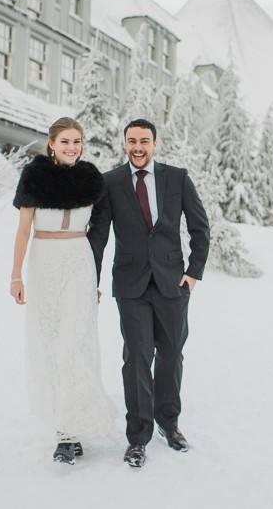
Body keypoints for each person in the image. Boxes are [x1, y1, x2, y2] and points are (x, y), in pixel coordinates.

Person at [88, 118, 211, 468]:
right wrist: (90, 280)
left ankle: (169, 423)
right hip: (131, 284)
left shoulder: (177, 178)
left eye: (144, 140)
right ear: (124, 143)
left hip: (173, 282)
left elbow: (200, 228)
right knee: (137, 358)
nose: (138, 147)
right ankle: (138, 437)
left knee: (172, 355)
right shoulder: (110, 182)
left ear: (154, 143)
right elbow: (99, 236)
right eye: (132, 141)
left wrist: (193, 273)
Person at [9, 117, 115, 465]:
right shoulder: (35, 177)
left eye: (78, 142)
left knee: (76, 343)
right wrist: (16, 275)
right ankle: (64, 429)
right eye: (66, 141)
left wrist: (96, 280)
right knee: (52, 344)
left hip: (79, 263)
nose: (72, 147)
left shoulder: (91, 179)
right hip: (44, 262)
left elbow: (99, 232)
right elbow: (24, 230)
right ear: (51, 143)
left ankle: (75, 426)